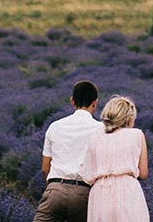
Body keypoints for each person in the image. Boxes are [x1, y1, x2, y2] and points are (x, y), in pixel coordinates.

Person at [34, 80, 104, 222]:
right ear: (95, 103)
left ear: (72, 101)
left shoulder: (55, 126)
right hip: (84, 193)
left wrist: (55, 187)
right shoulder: (101, 130)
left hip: (55, 190)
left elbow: (45, 168)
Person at [80, 95, 149, 222]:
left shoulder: (94, 137)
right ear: (128, 118)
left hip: (100, 192)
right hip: (128, 189)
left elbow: (86, 173)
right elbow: (143, 173)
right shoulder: (136, 135)